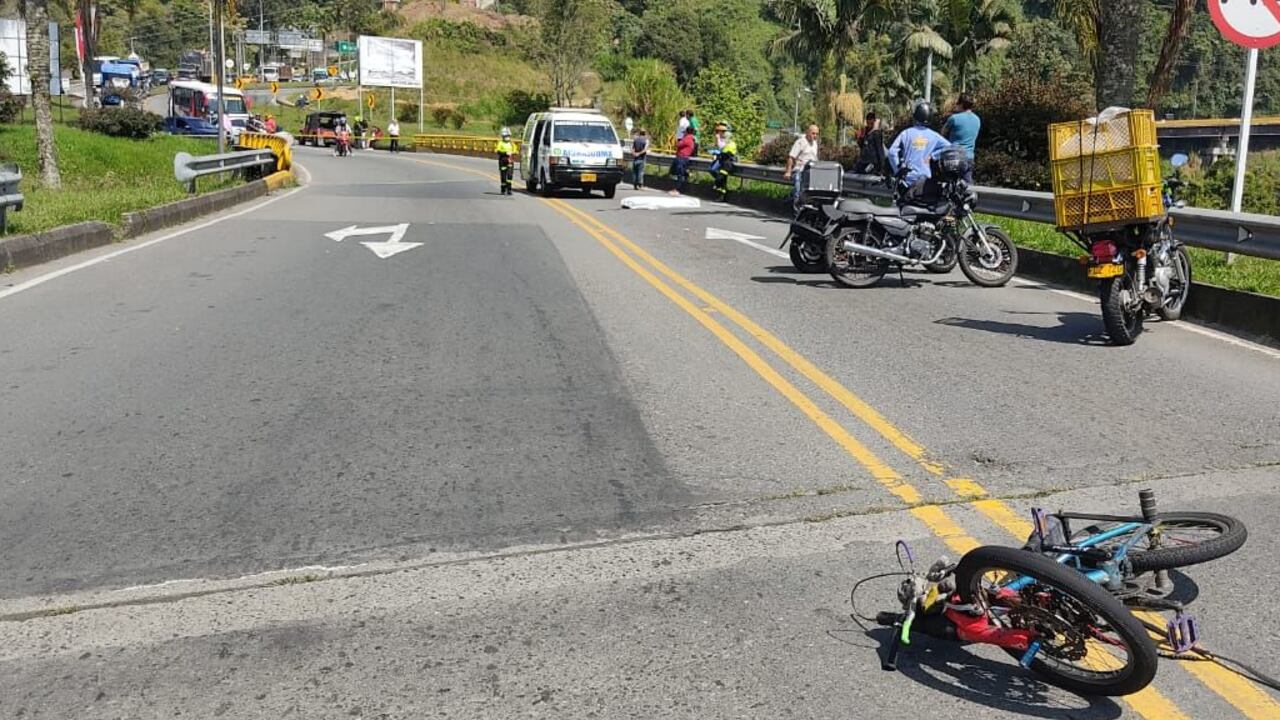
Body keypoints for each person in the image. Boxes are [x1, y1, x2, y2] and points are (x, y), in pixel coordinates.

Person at [888, 100, 951, 189]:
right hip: (925, 182)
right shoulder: (934, 135)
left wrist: (897, 171)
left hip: (907, 180)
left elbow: (891, 152)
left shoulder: (906, 133)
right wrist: (933, 156)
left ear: (915, 117)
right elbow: (950, 147)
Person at [941, 94, 980, 183]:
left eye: (957, 103)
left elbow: (942, 133)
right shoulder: (977, 119)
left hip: (953, 157)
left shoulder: (954, 118)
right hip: (969, 157)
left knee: (949, 184)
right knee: (967, 185)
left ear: (961, 104)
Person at [782, 124, 820, 205]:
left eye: (817, 134)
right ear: (807, 132)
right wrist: (788, 172)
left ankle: (789, 198)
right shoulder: (800, 142)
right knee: (798, 189)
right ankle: (797, 208)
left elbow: (815, 158)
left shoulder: (815, 144)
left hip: (811, 171)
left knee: (809, 192)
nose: (815, 136)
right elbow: (791, 157)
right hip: (800, 169)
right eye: (813, 133)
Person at [709, 122, 738, 202]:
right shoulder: (724, 139)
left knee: (722, 177)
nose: (719, 132)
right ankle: (720, 187)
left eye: (720, 131)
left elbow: (724, 150)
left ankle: (721, 193)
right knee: (717, 174)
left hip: (726, 163)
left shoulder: (730, 142)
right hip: (723, 161)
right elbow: (720, 149)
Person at [856, 111, 887, 177]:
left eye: (871, 121)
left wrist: (882, 167)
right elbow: (862, 146)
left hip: (872, 163)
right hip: (863, 161)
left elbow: (880, 150)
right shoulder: (865, 132)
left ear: (874, 121)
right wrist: (859, 138)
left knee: (867, 173)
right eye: (868, 121)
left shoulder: (876, 133)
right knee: (858, 171)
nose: (869, 123)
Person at [670, 130, 695, 195]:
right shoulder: (692, 139)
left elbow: (678, 144)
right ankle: (687, 173)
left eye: (684, 133)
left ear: (687, 132)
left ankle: (677, 189)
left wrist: (681, 139)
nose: (684, 134)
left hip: (681, 157)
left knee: (679, 174)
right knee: (679, 172)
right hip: (685, 158)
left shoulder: (687, 139)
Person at [495, 127, 516, 196]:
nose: (507, 137)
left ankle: (509, 189)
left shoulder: (512, 143)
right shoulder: (500, 143)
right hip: (502, 161)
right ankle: (503, 189)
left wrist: (513, 152)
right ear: (503, 136)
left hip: (510, 160)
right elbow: (498, 151)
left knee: (510, 175)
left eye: (508, 136)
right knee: (503, 176)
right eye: (505, 136)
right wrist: (505, 153)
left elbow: (515, 150)